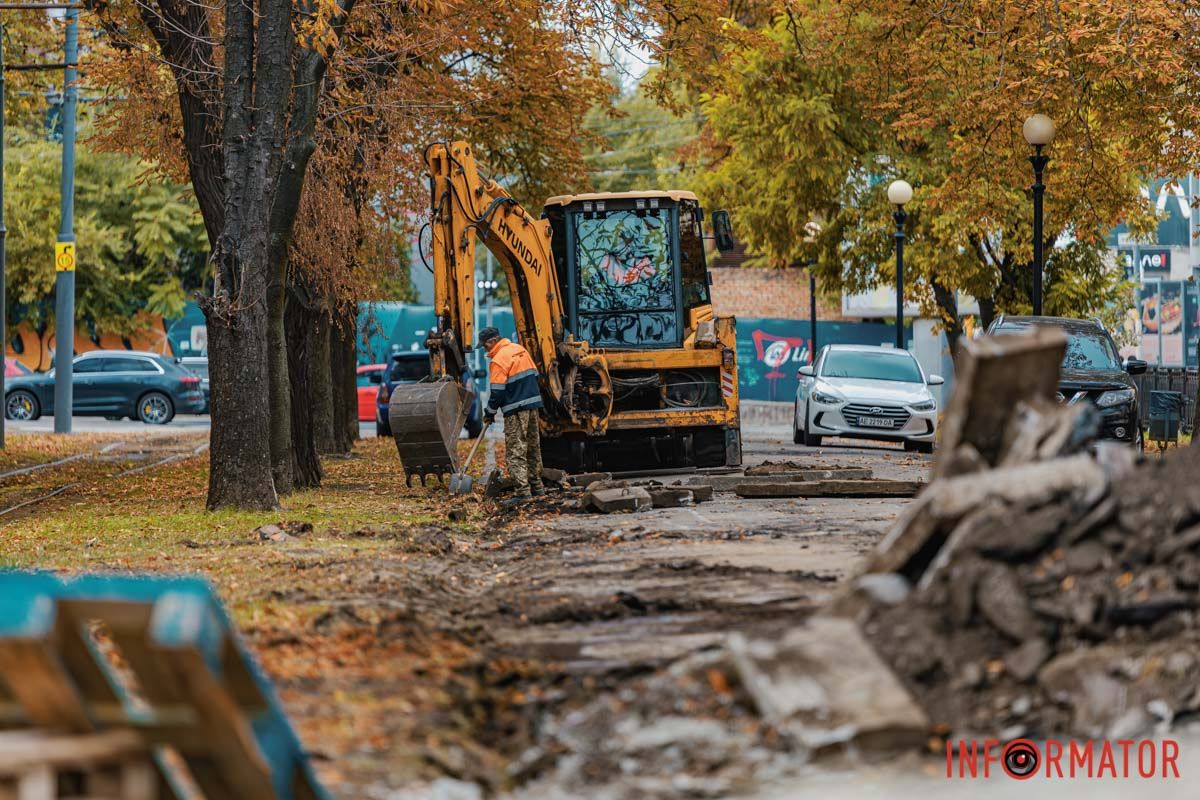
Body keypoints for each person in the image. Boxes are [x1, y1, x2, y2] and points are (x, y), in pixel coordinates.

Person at [478, 327, 545, 500]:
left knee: (516, 451)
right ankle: (537, 487)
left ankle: (523, 492)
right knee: (532, 448)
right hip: (533, 406)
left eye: (485, 346)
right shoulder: (520, 350)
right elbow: (535, 376)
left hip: (516, 410)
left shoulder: (499, 360)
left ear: (492, 342)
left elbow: (497, 392)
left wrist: (490, 412)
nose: (486, 350)